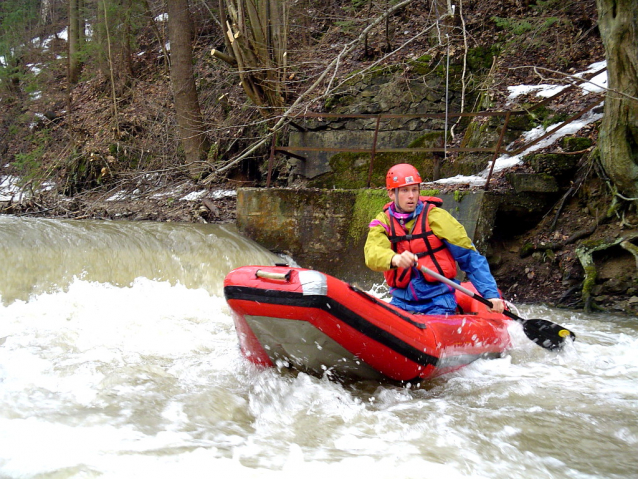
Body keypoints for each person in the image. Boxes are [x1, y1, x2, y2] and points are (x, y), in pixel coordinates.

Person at [364, 163, 505, 315]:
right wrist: (394, 259)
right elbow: (372, 253)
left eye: (415, 189)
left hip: (439, 300)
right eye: (404, 190)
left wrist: (490, 294)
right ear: (391, 193)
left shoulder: (436, 217)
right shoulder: (383, 222)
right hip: (402, 301)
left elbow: (469, 257)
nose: (411, 196)